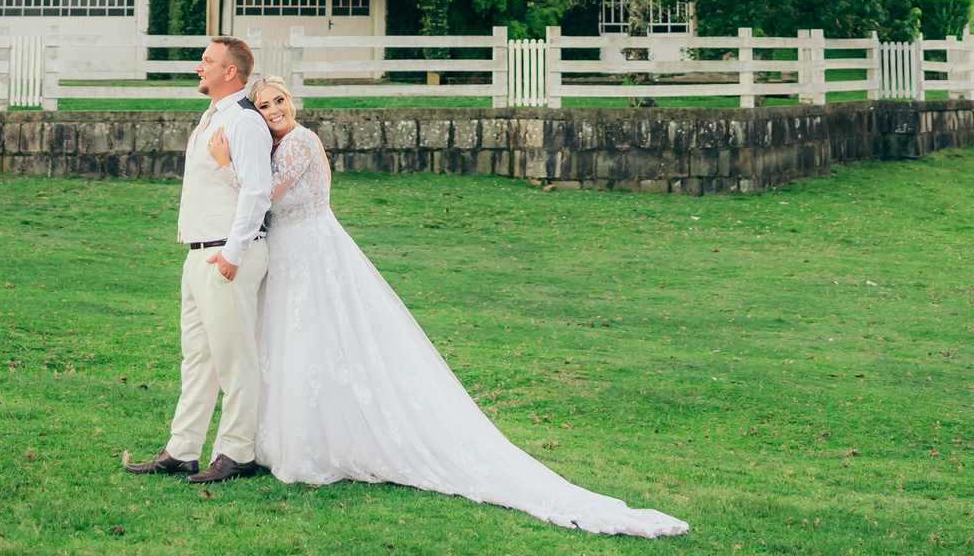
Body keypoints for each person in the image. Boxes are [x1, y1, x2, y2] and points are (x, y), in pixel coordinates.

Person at [206, 74, 689, 538]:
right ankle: (290, 434)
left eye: (278, 102)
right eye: (264, 106)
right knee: (294, 342)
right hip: (292, 254)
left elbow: (264, 194)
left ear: (293, 102)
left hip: (311, 254)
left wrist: (226, 164)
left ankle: (318, 442)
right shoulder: (282, 143)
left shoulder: (299, 142)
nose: (272, 112)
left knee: (315, 339)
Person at [123, 36, 272, 485]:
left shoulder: (244, 122)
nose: (198, 67)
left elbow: (257, 190)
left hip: (227, 253)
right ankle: (183, 449)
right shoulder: (213, 118)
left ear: (231, 72)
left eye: (207, 61)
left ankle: (237, 453)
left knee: (234, 359)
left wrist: (231, 253)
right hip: (199, 253)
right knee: (199, 360)